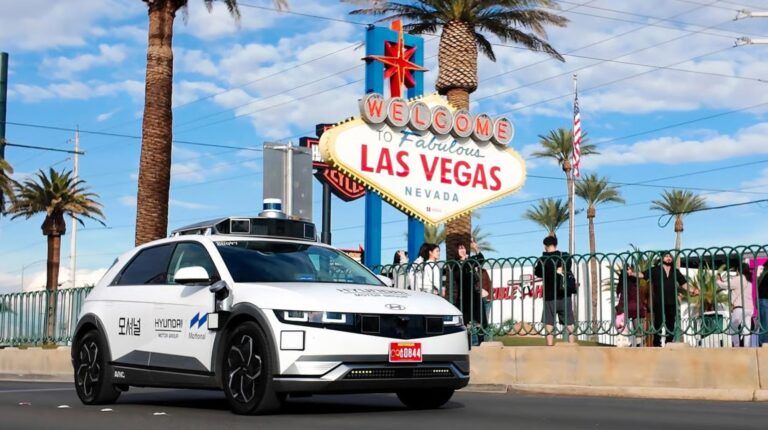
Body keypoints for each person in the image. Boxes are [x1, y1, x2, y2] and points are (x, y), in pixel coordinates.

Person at [628, 252, 698, 347]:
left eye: (670, 256)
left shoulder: (675, 271)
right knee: (658, 323)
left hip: (672, 301)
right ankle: (657, 343)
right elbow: (643, 275)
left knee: (671, 323)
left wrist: (693, 290)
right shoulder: (655, 270)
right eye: (666, 256)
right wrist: (632, 273)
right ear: (661, 259)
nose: (668, 258)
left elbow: (684, 284)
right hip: (659, 301)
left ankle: (669, 342)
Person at [534, 235, 576, 346]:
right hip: (564, 294)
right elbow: (568, 266)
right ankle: (572, 345)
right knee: (569, 322)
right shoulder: (564, 256)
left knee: (549, 322)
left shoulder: (543, 259)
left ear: (545, 246)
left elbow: (538, 272)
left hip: (549, 295)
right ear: (556, 244)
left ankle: (549, 346)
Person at [449, 239, 486, 335]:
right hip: (463, 296)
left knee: (480, 320)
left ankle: (480, 339)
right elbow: (460, 276)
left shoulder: (470, 260)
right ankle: (468, 341)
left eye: (463, 248)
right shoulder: (455, 263)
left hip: (474, 294)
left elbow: (481, 260)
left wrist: (476, 248)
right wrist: (465, 261)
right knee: (466, 322)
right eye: (460, 249)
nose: (462, 250)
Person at [717, 262, 754, 348]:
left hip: (739, 308)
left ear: (738, 270)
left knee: (733, 327)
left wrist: (718, 280)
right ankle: (747, 347)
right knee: (746, 329)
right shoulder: (749, 281)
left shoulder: (739, 279)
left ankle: (736, 346)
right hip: (749, 308)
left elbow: (725, 285)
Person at [615, 266, 648, 347]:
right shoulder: (634, 283)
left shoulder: (622, 284)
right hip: (635, 307)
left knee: (622, 323)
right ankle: (638, 341)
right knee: (637, 323)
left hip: (625, 307)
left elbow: (620, 295)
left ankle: (625, 340)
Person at [758, 261, 768, 346]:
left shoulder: (763, 275)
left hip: (762, 299)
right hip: (764, 299)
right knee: (765, 322)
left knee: (764, 322)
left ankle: (763, 342)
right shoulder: (765, 275)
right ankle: (764, 342)